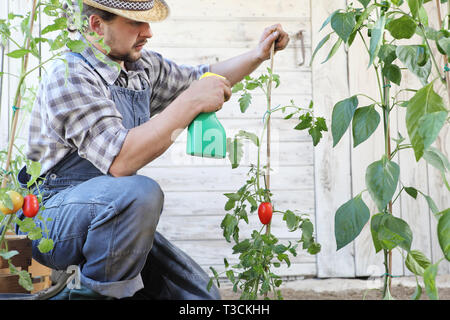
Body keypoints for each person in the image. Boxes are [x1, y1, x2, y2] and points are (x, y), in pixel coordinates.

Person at [16, 0, 290, 299]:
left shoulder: (140, 67)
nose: (148, 32)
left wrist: (257, 55)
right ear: (96, 25)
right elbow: (121, 161)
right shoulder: (68, 74)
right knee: (139, 192)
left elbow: (203, 76)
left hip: (108, 211)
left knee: (199, 296)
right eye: (135, 23)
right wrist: (191, 102)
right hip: (49, 220)